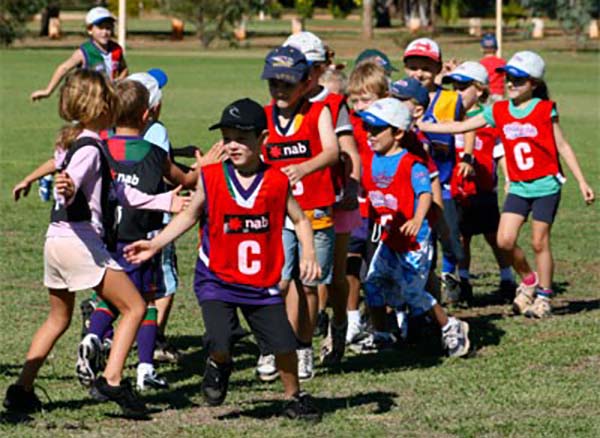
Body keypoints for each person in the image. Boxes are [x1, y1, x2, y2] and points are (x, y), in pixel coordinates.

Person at [124, 98, 322, 421]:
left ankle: (294, 396)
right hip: (217, 278)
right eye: (228, 138)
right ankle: (220, 362)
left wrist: (309, 253)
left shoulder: (276, 181)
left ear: (263, 140)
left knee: (284, 343)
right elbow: (190, 214)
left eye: (242, 139)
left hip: (261, 282)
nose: (233, 145)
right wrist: (155, 244)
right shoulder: (212, 177)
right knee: (221, 338)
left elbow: (300, 219)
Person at [4, 70, 185, 418]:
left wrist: (166, 202)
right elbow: (70, 179)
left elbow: (119, 192)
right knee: (135, 307)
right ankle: (113, 379)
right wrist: (68, 186)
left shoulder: (80, 143)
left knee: (58, 319)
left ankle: (21, 390)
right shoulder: (89, 146)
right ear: (101, 106)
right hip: (79, 242)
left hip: (54, 241)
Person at [418, 51, 595, 318]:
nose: (511, 84)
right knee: (504, 239)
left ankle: (544, 296)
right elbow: (461, 126)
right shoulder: (498, 111)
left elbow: (562, 145)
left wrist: (581, 181)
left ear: (534, 83)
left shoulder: (546, 109)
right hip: (520, 188)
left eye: (519, 80)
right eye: (509, 78)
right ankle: (528, 280)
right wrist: (420, 125)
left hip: (546, 184)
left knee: (539, 242)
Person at [78, 79, 197, 392]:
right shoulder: (155, 153)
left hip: (105, 237)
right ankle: (145, 368)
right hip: (143, 239)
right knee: (146, 300)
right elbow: (184, 179)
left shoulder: (99, 148)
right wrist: (207, 165)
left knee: (111, 297)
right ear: (148, 115)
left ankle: (93, 336)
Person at [357, 98, 471, 357]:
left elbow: (425, 194)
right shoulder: (371, 160)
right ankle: (382, 335)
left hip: (415, 241)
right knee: (373, 284)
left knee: (412, 292)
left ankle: (450, 327)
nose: (369, 135)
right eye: (367, 128)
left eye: (377, 130)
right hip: (390, 238)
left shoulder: (412, 164)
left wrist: (418, 219)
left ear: (397, 133)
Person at [259, 45, 338, 381]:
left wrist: (303, 167)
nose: (280, 90)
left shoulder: (317, 113)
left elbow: (333, 151)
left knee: (308, 285)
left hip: (315, 212)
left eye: (287, 84)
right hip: (278, 215)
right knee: (275, 282)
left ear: (306, 83)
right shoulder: (262, 117)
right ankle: (273, 347)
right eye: (274, 83)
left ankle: (303, 346)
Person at [283, 31, 361, 366]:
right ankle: (299, 340)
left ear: (316, 70)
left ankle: (339, 326)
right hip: (293, 203)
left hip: (333, 200)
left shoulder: (331, 102)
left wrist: (352, 188)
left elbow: (348, 151)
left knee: (334, 277)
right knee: (296, 276)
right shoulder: (282, 99)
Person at [403, 37, 475, 303]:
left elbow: (469, 125)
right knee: (424, 235)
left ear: (438, 69)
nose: (419, 73)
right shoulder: (401, 96)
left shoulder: (449, 99)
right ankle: (429, 278)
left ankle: (451, 272)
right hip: (412, 181)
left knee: (448, 233)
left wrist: (467, 156)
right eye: (413, 66)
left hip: (442, 179)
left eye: (425, 67)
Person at [441, 61, 517, 302]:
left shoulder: (488, 121)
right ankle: (463, 280)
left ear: (481, 90)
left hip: (483, 190)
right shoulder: (445, 120)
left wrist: (508, 179)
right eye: (454, 86)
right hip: (456, 191)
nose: (457, 92)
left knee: (494, 236)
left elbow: (499, 152)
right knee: (462, 238)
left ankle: (507, 278)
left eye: (463, 86)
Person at [344, 60, 389, 345]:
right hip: (353, 206)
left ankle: (383, 322)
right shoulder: (348, 123)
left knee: (375, 268)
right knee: (349, 263)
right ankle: (351, 319)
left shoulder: (388, 126)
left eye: (366, 99)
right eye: (355, 99)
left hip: (378, 207)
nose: (359, 106)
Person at [30, 7, 127, 101]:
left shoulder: (116, 49)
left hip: (111, 101)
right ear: (90, 29)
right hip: (88, 102)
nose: (105, 32)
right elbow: (64, 68)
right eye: (100, 28)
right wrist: (48, 91)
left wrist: (119, 81)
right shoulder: (84, 52)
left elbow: (124, 69)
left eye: (108, 27)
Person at [478, 33, 506, 103]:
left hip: (486, 93)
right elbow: (506, 77)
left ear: (482, 49)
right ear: (496, 49)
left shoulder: (481, 64)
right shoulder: (502, 62)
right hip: (499, 93)